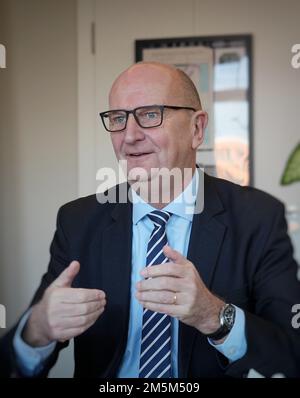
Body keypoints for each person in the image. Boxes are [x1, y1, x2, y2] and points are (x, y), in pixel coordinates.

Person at [1, 62, 300, 378]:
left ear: (196, 129)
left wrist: (215, 316)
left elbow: (290, 355)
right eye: (118, 119)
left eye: (150, 114)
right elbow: (14, 361)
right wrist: (36, 330)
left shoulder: (259, 218)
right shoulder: (78, 221)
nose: (129, 136)